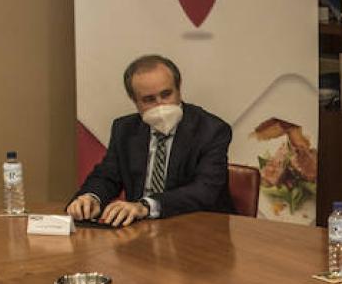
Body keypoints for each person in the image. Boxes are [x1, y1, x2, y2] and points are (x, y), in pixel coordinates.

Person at [67, 53, 232, 226]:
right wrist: (92, 197)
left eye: (166, 94)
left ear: (179, 88)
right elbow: (107, 176)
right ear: (134, 100)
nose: (161, 105)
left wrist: (146, 206)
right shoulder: (125, 129)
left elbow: (204, 190)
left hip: (199, 230)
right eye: (149, 99)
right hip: (140, 232)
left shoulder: (211, 130)